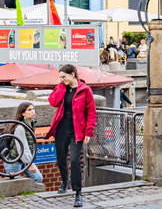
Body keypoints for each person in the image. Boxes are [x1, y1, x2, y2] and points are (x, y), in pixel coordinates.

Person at [46, 64, 97, 208]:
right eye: (60, 77)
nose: (61, 79)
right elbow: (53, 102)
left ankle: (78, 193)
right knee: (60, 159)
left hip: (77, 130)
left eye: (64, 76)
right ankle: (64, 180)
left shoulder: (85, 90)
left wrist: (89, 131)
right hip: (61, 129)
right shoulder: (62, 87)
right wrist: (62, 87)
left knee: (74, 160)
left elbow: (91, 113)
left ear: (72, 75)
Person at [3, 102, 43, 183]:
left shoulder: (31, 123)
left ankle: (30, 195)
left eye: (33, 109)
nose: (33, 111)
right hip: (14, 160)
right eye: (29, 110)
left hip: (25, 159)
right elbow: (22, 147)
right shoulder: (20, 127)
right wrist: (30, 164)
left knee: (38, 178)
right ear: (23, 113)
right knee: (14, 185)